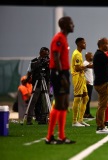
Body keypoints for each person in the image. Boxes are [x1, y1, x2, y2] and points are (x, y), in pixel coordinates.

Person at [45, 16, 76, 144]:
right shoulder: (58, 38)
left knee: (64, 105)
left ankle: (62, 136)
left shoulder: (64, 38)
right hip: (58, 73)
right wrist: (61, 75)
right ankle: (49, 137)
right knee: (58, 104)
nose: (73, 25)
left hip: (64, 72)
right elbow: (56, 57)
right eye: (71, 23)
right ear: (64, 25)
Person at [25, 47, 50, 125]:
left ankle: (44, 119)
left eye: (47, 54)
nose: (46, 56)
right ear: (40, 53)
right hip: (37, 83)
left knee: (45, 101)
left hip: (46, 82)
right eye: (45, 54)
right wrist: (27, 78)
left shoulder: (49, 61)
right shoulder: (34, 61)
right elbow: (29, 72)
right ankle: (29, 119)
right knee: (33, 100)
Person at [71, 37, 91, 127]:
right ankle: (74, 121)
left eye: (85, 42)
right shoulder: (77, 54)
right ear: (79, 44)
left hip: (82, 78)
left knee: (85, 98)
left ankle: (81, 119)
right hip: (77, 77)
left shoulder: (79, 54)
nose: (85, 44)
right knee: (78, 98)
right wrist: (87, 66)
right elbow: (77, 68)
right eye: (83, 43)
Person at [83, 52, 95, 119]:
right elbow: (81, 72)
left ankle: (87, 113)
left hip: (90, 84)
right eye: (91, 56)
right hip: (87, 84)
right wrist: (84, 80)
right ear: (87, 56)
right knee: (86, 99)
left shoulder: (89, 64)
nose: (92, 57)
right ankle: (86, 113)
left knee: (88, 99)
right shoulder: (85, 63)